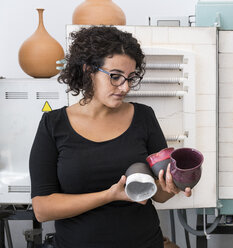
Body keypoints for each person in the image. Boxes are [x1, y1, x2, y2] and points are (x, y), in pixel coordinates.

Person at [29, 26, 191, 248]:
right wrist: (109, 196)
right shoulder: (53, 125)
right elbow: (42, 209)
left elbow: (158, 194)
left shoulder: (144, 117)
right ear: (88, 70)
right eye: (115, 77)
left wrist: (174, 185)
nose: (125, 87)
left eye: (131, 77)